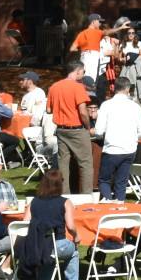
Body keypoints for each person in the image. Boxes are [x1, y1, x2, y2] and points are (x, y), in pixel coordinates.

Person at [21, 171, 82, 280]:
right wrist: (76, 236)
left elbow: (24, 224)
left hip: (36, 245)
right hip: (56, 243)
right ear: (60, 184)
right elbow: (70, 226)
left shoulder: (33, 202)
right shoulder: (65, 202)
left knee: (50, 250)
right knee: (73, 251)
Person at [94, 78, 141, 201]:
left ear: (114, 88)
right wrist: (133, 137)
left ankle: (108, 203)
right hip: (129, 149)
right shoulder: (135, 107)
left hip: (111, 148)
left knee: (104, 180)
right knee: (121, 182)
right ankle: (119, 205)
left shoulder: (106, 105)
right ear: (128, 89)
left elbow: (98, 131)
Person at [47, 61, 96, 194]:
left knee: (63, 164)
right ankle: (86, 196)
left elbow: (48, 109)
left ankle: (64, 195)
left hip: (61, 129)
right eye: (83, 72)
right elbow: (82, 111)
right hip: (77, 129)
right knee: (85, 163)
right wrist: (88, 126)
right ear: (78, 71)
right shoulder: (78, 87)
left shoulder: (54, 87)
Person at [69, 14, 107, 83]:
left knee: (83, 77)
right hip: (92, 57)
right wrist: (119, 28)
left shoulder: (82, 33)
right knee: (90, 79)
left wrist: (83, 50)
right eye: (99, 21)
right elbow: (107, 32)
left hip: (84, 56)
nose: (100, 24)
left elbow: (72, 49)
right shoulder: (96, 32)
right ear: (93, 22)